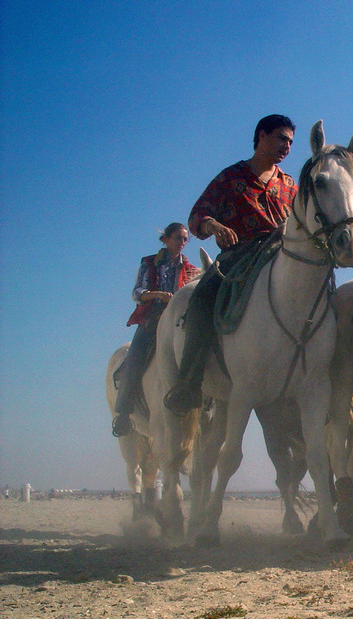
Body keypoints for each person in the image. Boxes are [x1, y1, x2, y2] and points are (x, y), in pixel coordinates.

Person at [163, 114, 298, 414]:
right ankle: (189, 384)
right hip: (239, 256)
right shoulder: (231, 177)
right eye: (281, 138)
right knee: (200, 301)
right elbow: (197, 215)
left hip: (283, 257)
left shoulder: (289, 185)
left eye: (290, 141)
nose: (286, 146)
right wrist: (214, 227)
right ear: (261, 136)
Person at [112, 223, 200, 436]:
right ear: (166, 239)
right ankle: (123, 414)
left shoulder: (189, 268)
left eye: (185, 239)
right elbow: (137, 292)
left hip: (178, 319)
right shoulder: (149, 263)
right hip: (152, 317)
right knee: (134, 359)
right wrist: (157, 295)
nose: (182, 243)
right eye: (178, 238)